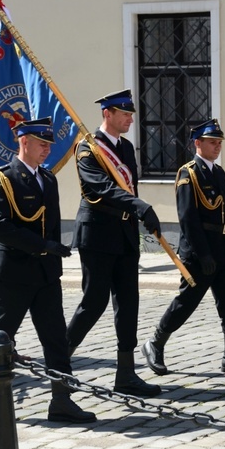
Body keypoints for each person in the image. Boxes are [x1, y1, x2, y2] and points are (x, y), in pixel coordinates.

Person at [0, 117, 96, 423]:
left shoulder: (48, 179)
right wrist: (43, 245)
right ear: (24, 142)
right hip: (13, 272)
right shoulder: (1, 178)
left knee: (55, 337)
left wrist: (52, 252)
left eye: (49, 145)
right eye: (42, 144)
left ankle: (61, 400)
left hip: (45, 273)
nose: (47, 150)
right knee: (2, 335)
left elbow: (52, 223)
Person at [66, 89, 161, 397]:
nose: (130, 119)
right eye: (125, 114)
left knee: (128, 303)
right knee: (94, 302)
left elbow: (128, 184)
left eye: (131, 114)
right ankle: (59, 361)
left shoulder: (126, 147)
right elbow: (102, 187)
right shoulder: (87, 148)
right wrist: (139, 206)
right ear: (107, 114)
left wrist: (138, 213)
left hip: (124, 234)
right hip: (97, 233)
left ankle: (126, 373)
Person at [142, 119, 225, 376]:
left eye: (219, 142)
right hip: (200, 252)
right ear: (197, 143)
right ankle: (155, 343)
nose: (217, 147)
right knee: (187, 301)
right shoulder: (188, 174)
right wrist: (202, 254)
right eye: (212, 142)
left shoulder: (219, 172)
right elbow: (188, 219)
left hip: (223, 249)